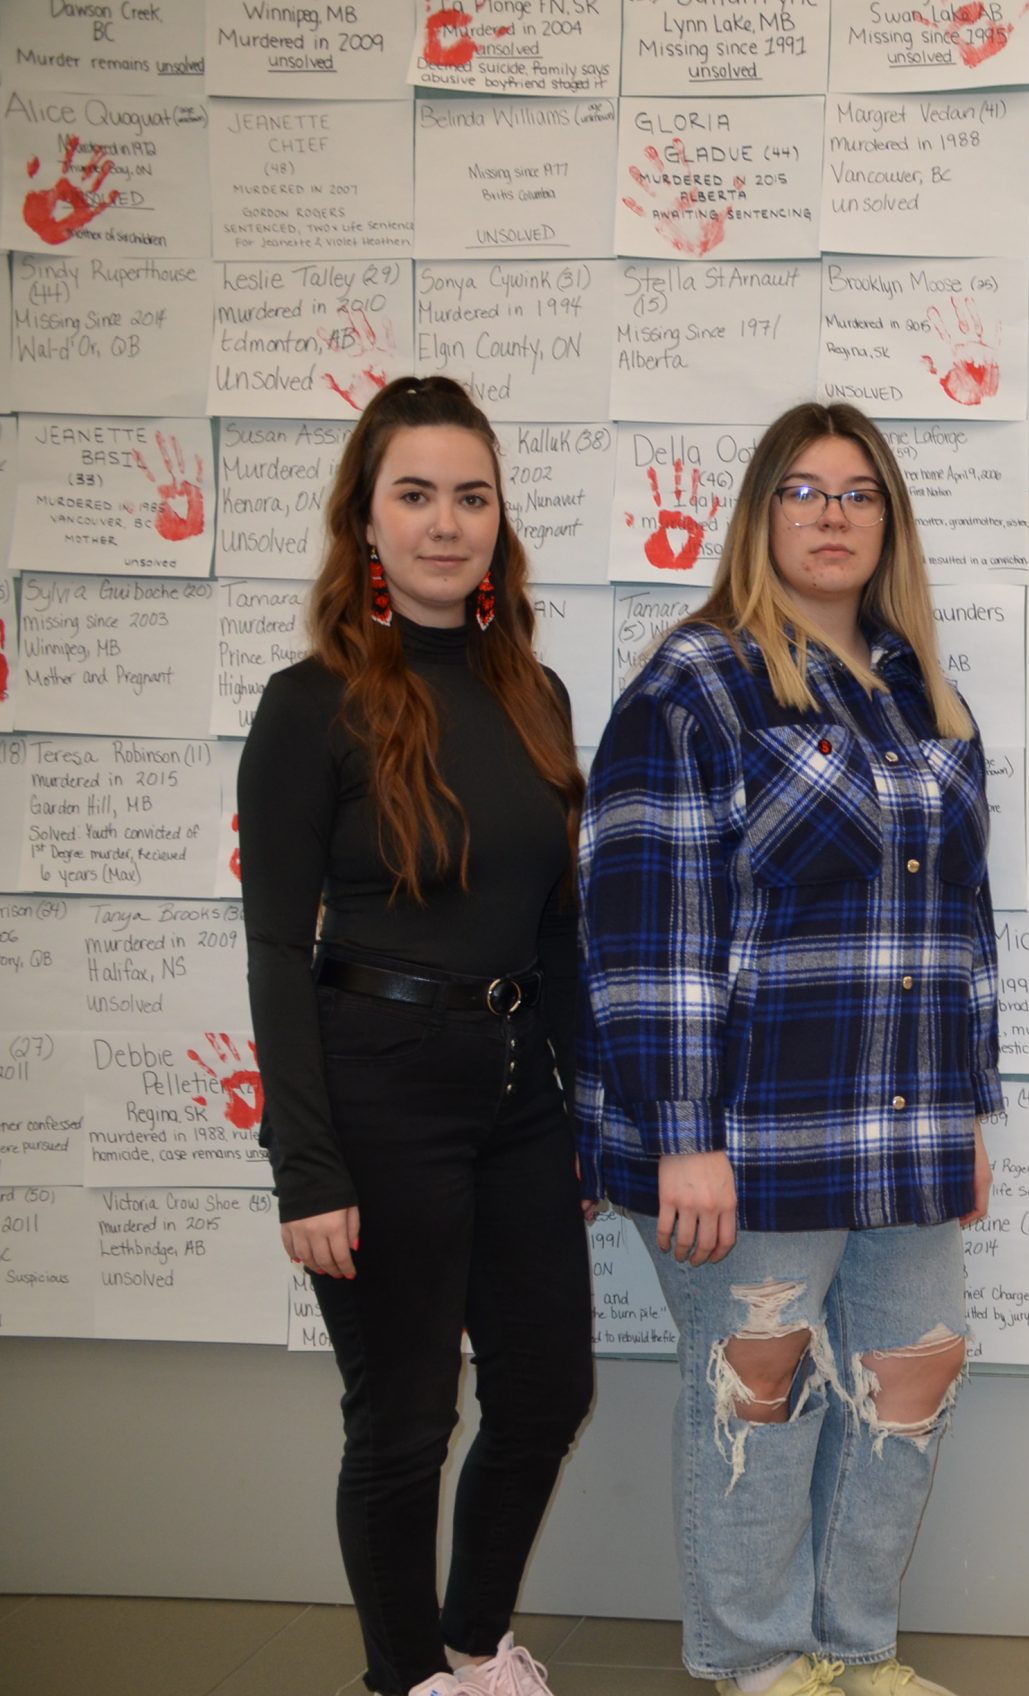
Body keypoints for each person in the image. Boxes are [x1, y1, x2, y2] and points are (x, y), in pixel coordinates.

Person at [578, 402, 1001, 1696]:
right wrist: (683, 1136)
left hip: (907, 1125)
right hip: (749, 1136)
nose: (832, 514)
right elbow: (648, 929)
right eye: (803, 490)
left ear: (890, 522)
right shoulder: (693, 686)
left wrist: (970, 1114)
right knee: (758, 1398)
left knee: (908, 1388)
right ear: (761, 514)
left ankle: (858, 1651)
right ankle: (760, 1664)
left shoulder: (920, 689)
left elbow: (959, 929)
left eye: (859, 491)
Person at [239, 375, 591, 1696]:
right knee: (403, 1423)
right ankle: (407, 1681)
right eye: (416, 494)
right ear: (366, 523)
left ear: (499, 522)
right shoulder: (310, 704)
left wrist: (587, 1108)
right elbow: (279, 946)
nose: (447, 523)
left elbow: (553, 937)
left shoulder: (536, 696)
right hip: (376, 1089)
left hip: (516, 1094)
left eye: (472, 496)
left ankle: (466, 1642)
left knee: (548, 1388)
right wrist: (307, 1169)